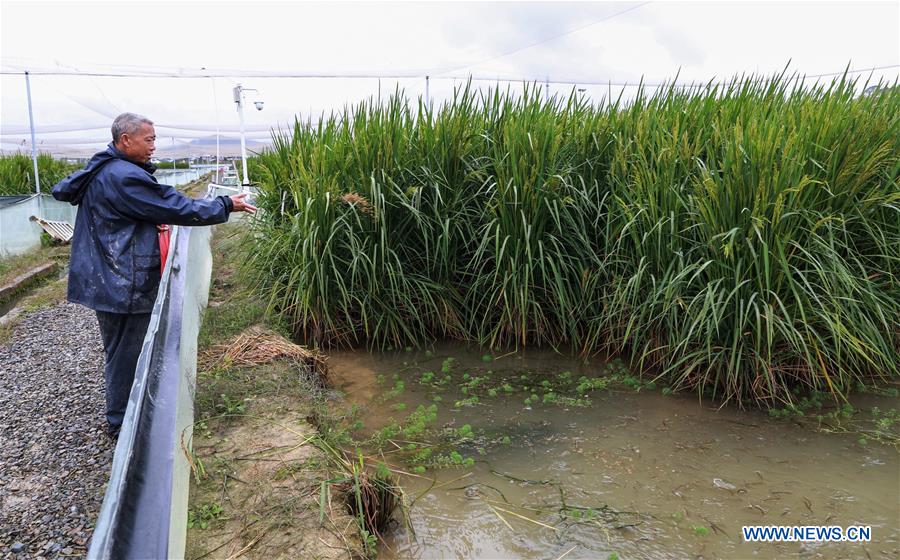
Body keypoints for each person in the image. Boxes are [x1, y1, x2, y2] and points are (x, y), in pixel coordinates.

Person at [52, 112, 256, 439]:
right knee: (125, 353)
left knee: (121, 348)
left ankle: (128, 413)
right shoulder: (123, 177)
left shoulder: (108, 169)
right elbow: (173, 206)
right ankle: (123, 425)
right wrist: (224, 205)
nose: (153, 145)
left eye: (154, 139)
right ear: (125, 141)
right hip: (120, 279)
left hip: (106, 276)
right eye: (148, 139)